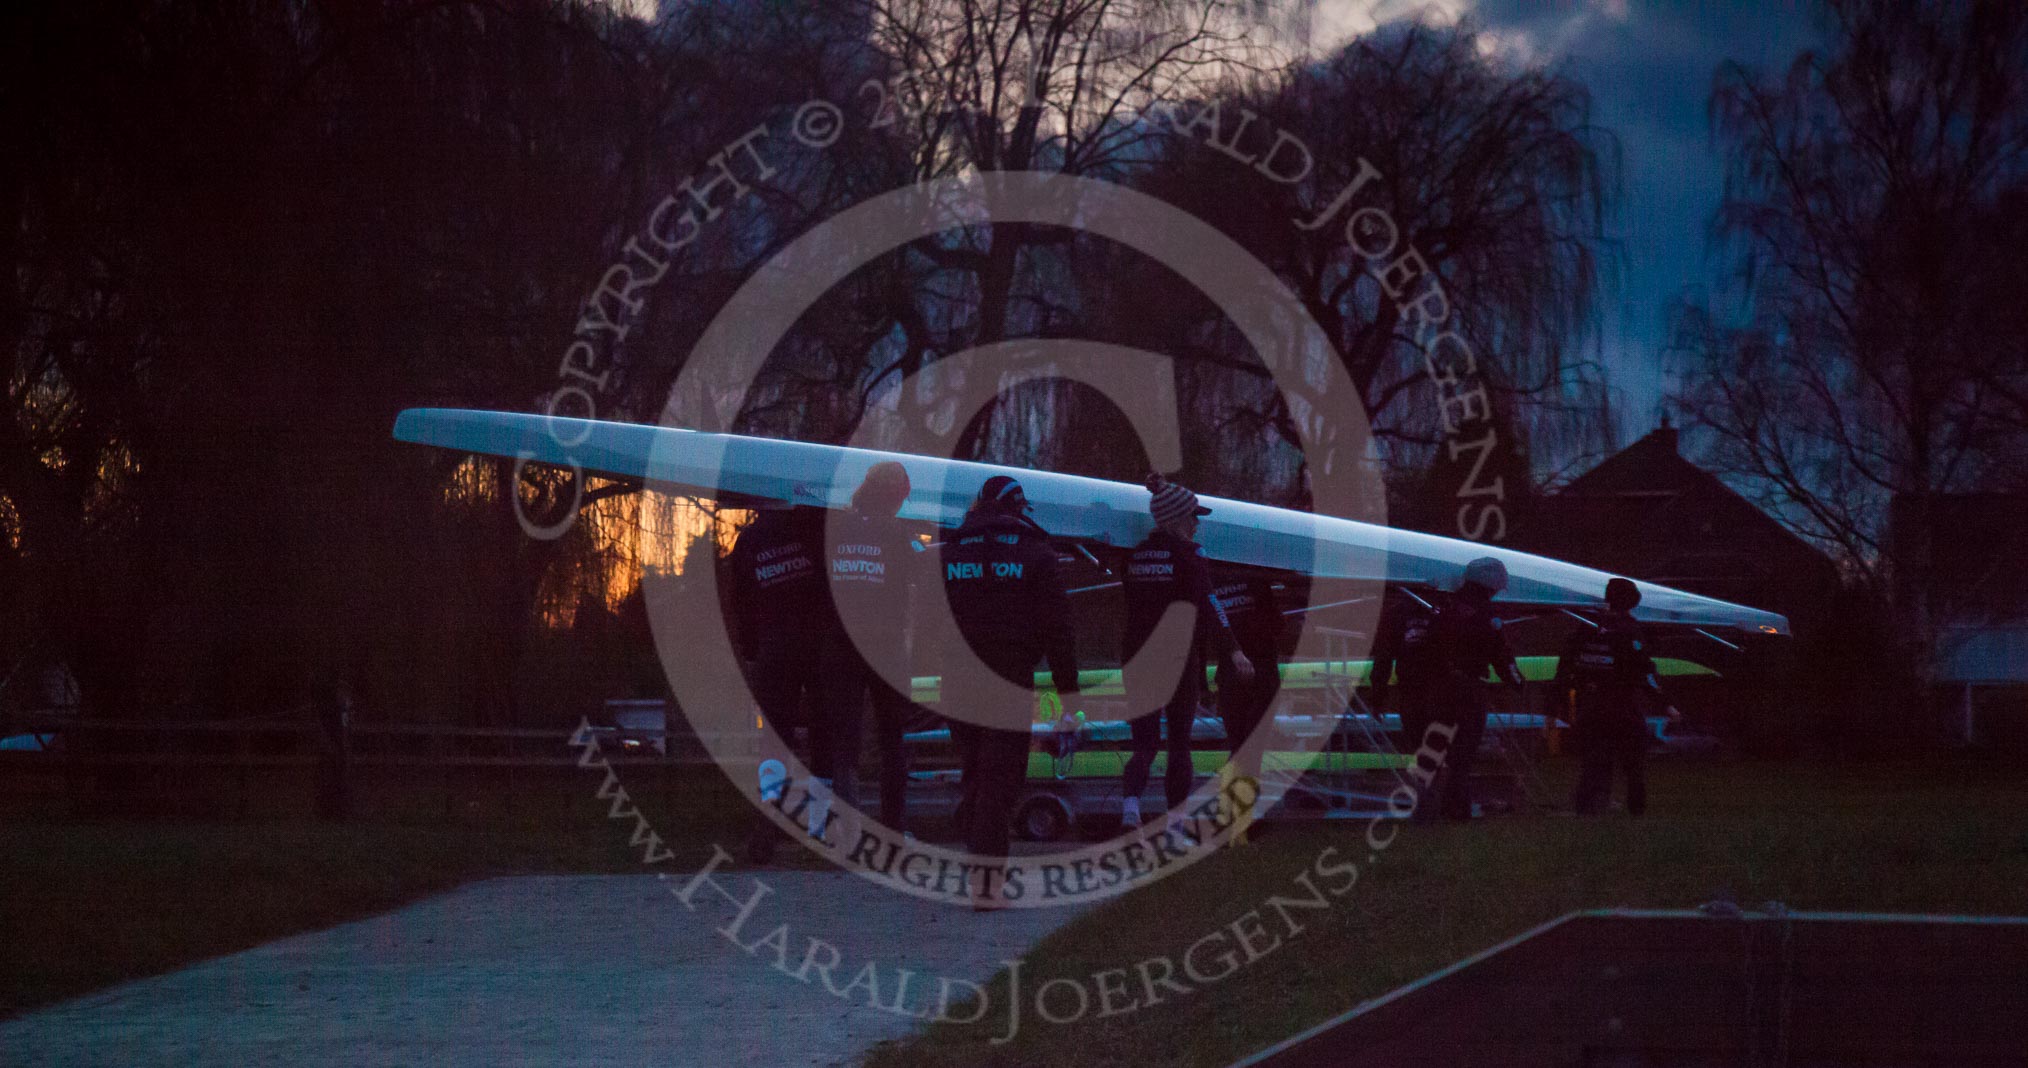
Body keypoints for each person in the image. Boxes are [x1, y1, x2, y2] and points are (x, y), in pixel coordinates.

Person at [940, 475, 1080, 909]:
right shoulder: (1037, 554)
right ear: (1018, 509)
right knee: (1000, 782)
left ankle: (978, 861)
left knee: (976, 776)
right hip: (1008, 679)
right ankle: (987, 887)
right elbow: (1058, 630)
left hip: (958, 681)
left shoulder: (948, 553)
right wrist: (1069, 697)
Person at [1120, 475, 1251, 830]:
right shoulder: (1190, 556)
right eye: (1194, 517)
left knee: (1144, 744)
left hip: (1137, 658)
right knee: (1179, 742)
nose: (1197, 524)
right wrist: (1234, 651)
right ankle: (1176, 821)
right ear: (1178, 519)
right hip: (1177, 660)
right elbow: (1210, 603)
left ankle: (1130, 806)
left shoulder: (1136, 554)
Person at [819, 461, 920, 835]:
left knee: (844, 743)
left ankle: (848, 831)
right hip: (886, 647)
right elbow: (921, 571)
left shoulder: (835, 527)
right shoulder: (897, 533)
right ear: (894, 496)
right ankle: (894, 828)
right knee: (893, 739)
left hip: (839, 645)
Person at [727, 504, 831, 862]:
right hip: (817, 647)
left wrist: (752, 647)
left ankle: (768, 823)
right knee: (824, 737)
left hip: (774, 649)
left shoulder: (750, 540)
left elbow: (741, 600)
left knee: (773, 741)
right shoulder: (813, 530)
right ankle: (819, 828)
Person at [1555, 577, 1680, 816]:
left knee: (1594, 761)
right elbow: (1643, 669)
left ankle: (1586, 809)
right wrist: (1666, 705)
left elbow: (1567, 663)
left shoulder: (1586, 626)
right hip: (1622, 706)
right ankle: (1635, 810)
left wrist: (1560, 697)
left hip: (1590, 705)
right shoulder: (1630, 630)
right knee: (1633, 763)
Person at [1211, 565, 1283, 840]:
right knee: (1251, 744)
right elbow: (1275, 623)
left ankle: (1228, 814)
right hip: (1260, 668)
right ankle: (1242, 816)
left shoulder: (1212, 581)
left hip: (1229, 671)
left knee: (1239, 744)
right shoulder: (1255, 576)